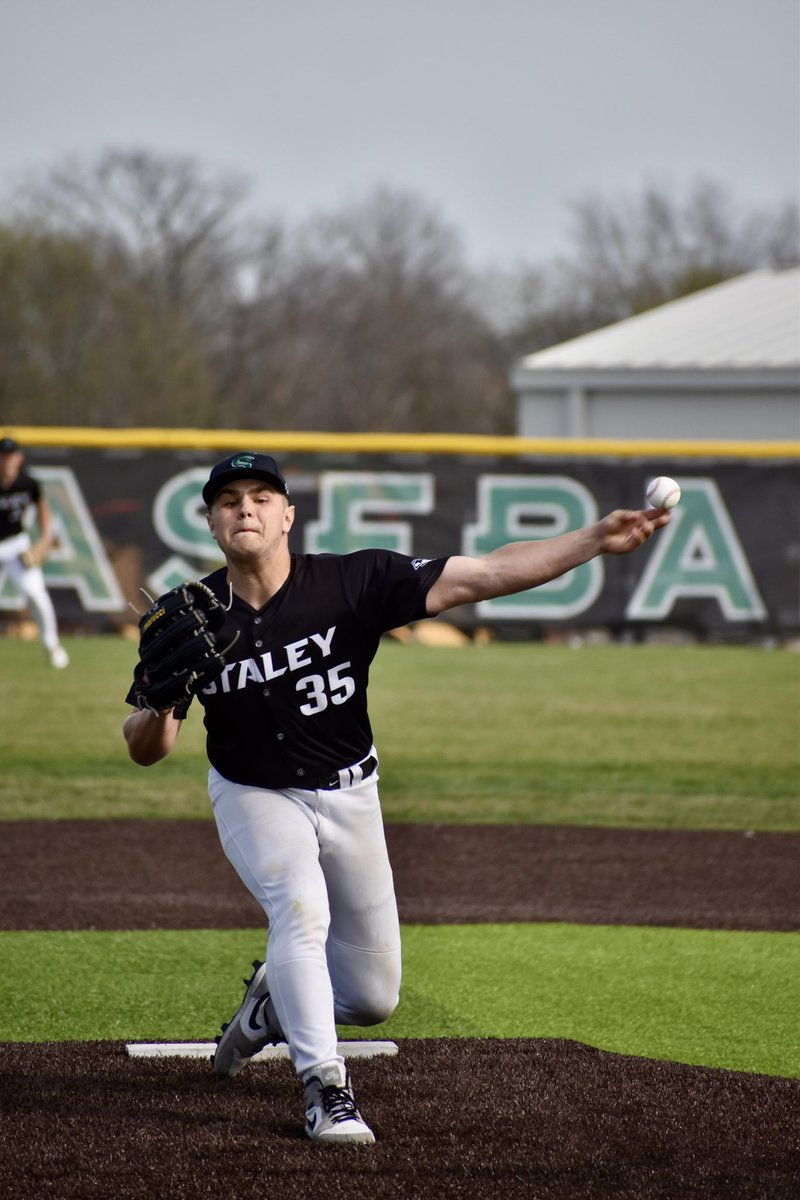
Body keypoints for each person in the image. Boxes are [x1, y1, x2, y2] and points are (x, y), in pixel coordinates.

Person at [123, 451, 671, 1146]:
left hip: (352, 793)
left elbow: (492, 571)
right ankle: (326, 1087)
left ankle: (273, 1002)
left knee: (374, 997)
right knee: (300, 908)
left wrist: (596, 538)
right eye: (229, 499)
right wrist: (164, 700)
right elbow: (146, 746)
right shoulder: (189, 616)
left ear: (288, 515)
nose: (246, 508)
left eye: (262, 496)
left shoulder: (355, 581)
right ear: (209, 520)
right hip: (254, 792)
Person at [0, 435, 69, 669]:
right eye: (3, 456)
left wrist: (45, 539)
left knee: (37, 597)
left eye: (11, 456)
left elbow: (43, 508)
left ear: (19, 458)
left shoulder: (27, 483)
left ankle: (52, 645)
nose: (7, 461)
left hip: (16, 545)